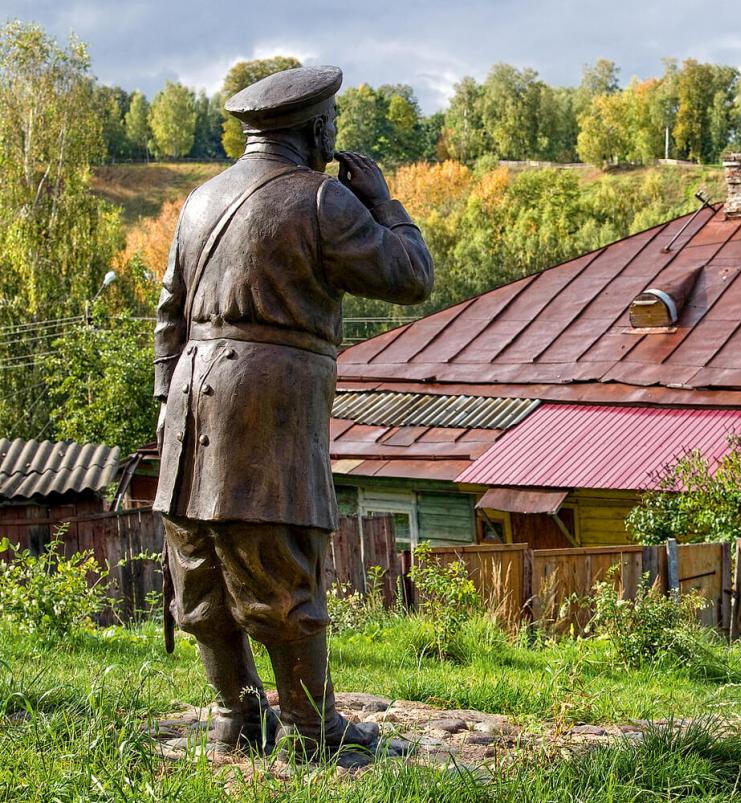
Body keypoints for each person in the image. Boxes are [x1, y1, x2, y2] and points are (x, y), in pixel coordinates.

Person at [153, 65, 432, 758]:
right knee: (278, 559)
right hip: (266, 402)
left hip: (191, 402)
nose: (334, 133)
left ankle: (237, 719)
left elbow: (168, 316)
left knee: (202, 569)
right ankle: (311, 730)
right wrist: (384, 205)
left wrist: (167, 404)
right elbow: (410, 276)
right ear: (315, 129)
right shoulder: (321, 201)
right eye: (331, 122)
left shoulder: (198, 201)